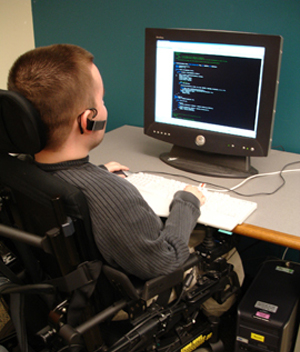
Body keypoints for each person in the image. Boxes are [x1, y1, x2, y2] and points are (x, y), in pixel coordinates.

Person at [7, 44, 206, 281]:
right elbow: (165, 260)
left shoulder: (18, 167)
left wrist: (97, 175)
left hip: (54, 284)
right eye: (102, 99)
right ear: (87, 120)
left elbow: (64, 185)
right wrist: (187, 202)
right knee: (225, 250)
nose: (104, 105)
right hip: (130, 299)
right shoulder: (114, 194)